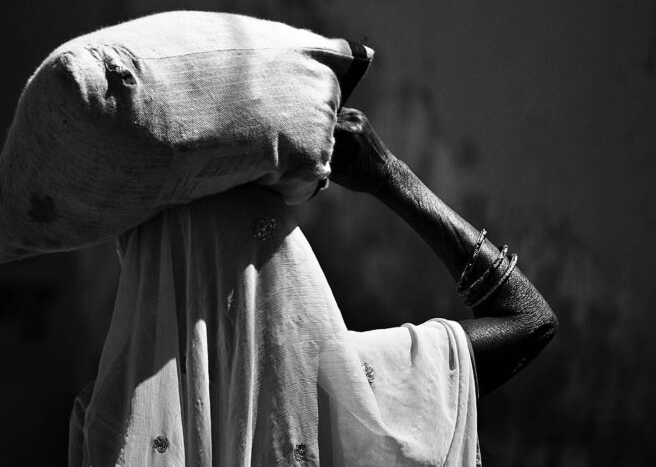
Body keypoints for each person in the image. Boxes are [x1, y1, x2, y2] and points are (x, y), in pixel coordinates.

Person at [68, 108, 557, 467]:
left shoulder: (105, 422)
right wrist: (390, 176)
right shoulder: (351, 392)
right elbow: (530, 320)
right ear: (279, 250)